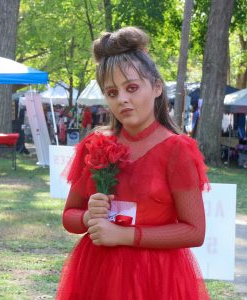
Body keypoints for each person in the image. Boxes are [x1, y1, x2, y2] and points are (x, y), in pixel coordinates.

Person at [56, 26, 210, 300]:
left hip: (156, 278)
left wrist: (125, 236)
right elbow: (69, 216)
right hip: (97, 274)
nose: (123, 99)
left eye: (132, 88)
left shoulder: (177, 150)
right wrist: (88, 217)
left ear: (157, 87)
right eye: (112, 92)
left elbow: (194, 231)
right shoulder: (96, 144)